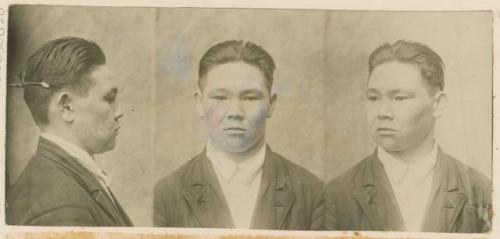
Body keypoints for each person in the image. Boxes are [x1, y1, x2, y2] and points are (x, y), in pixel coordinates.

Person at [323, 40, 492, 232]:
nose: (382, 112)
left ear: (437, 105)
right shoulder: (338, 193)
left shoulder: (481, 192)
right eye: (373, 98)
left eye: (399, 98)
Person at [154, 40, 323, 230]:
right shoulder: (169, 192)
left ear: (271, 104)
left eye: (250, 97)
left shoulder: (311, 191)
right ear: (199, 103)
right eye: (220, 97)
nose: (235, 111)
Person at [6, 37, 133, 226]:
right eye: (109, 98)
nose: (119, 112)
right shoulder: (60, 208)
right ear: (66, 107)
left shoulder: (66, 179)